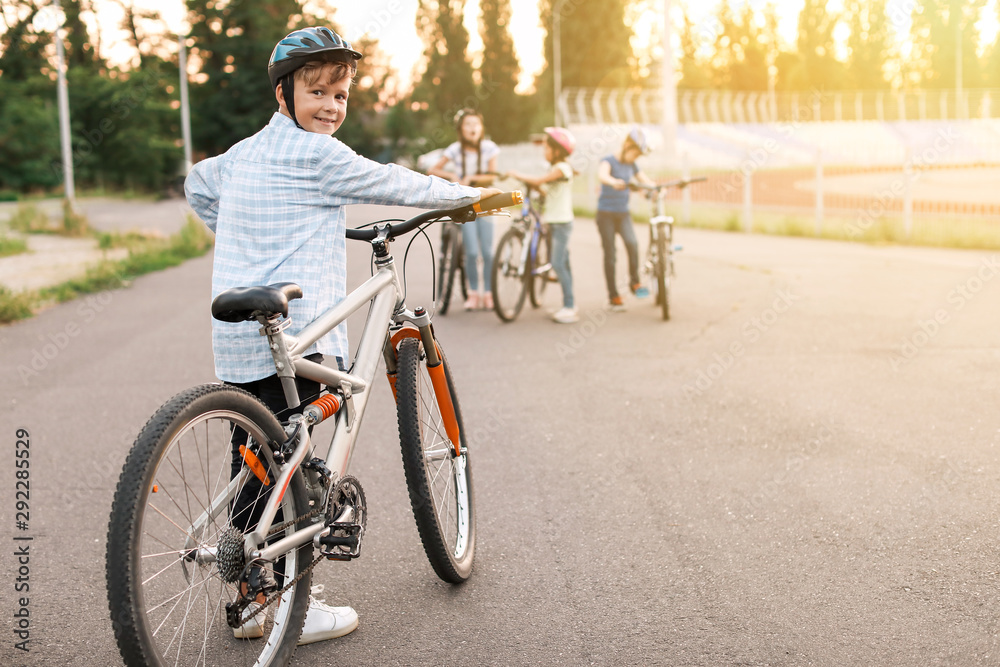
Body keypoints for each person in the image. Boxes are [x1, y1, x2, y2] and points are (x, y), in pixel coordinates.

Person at [185, 26, 499, 645]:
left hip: (239, 332)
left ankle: (251, 597)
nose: (330, 105)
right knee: (294, 458)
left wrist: (240, 235)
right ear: (284, 95)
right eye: (316, 91)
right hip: (300, 329)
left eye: (340, 95)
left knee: (258, 458)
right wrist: (474, 196)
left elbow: (198, 182)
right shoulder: (320, 157)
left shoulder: (241, 156)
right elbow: (397, 183)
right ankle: (284, 606)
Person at [428, 109, 500, 310]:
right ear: (461, 129)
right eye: (468, 124)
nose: (473, 128)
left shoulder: (489, 148)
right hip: (465, 204)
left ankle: (488, 293)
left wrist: (471, 179)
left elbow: (492, 175)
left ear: (481, 128)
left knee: (487, 252)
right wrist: (453, 176)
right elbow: (432, 170)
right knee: (472, 251)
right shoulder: (454, 149)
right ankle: (473, 293)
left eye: (476, 124)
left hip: (486, 203)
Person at [506, 127, 577, 324]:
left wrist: (517, 174)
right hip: (555, 221)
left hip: (561, 223)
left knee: (557, 263)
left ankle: (570, 307)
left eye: (546, 147)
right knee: (564, 263)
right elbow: (545, 190)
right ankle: (569, 304)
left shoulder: (563, 168)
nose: (544, 151)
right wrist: (535, 186)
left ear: (558, 150)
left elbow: (539, 180)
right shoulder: (555, 169)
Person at [596, 127, 655, 312]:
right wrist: (613, 182)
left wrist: (656, 189)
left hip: (623, 213)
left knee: (632, 244)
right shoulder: (609, 160)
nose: (636, 157)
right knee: (610, 255)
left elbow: (646, 181)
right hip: (605, 214)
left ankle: (634, 283)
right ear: (627, 146)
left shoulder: (632, 165)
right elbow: (602, 175)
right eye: (635, 153)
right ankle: (614, 296)